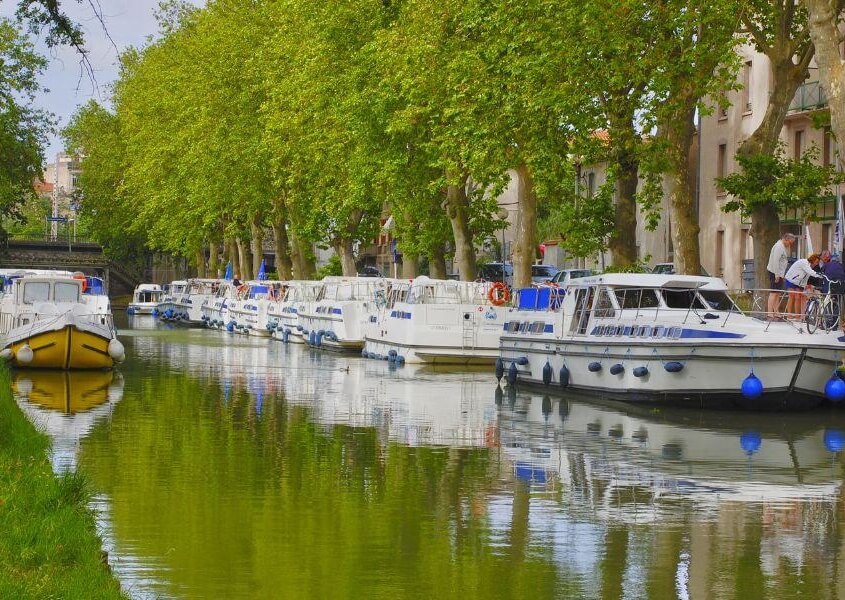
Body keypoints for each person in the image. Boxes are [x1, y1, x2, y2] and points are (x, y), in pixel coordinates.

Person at [766, 233, 796, 318]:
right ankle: (770, 312)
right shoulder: (779, 246)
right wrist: (776, 275)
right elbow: (776, 261)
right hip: (775, 272)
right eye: (790, 242)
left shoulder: (782, 246)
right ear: (786, 239)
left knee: (777, 293)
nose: (790, 244)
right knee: (773, 292)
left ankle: (776, 311)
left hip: (779, 273)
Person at [784, 253, 822, 318]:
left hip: (799, 283)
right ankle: (789, 314)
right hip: (791, 280)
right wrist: (820, 275)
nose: (817, 263)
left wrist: (804, 286)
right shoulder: (804, 263)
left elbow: (806, 277)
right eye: (816, 261)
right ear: (812, 260)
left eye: (818, 262)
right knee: (792, 296)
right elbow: (810, 272)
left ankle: (797, 315)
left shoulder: (811, 266)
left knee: (798, 297)